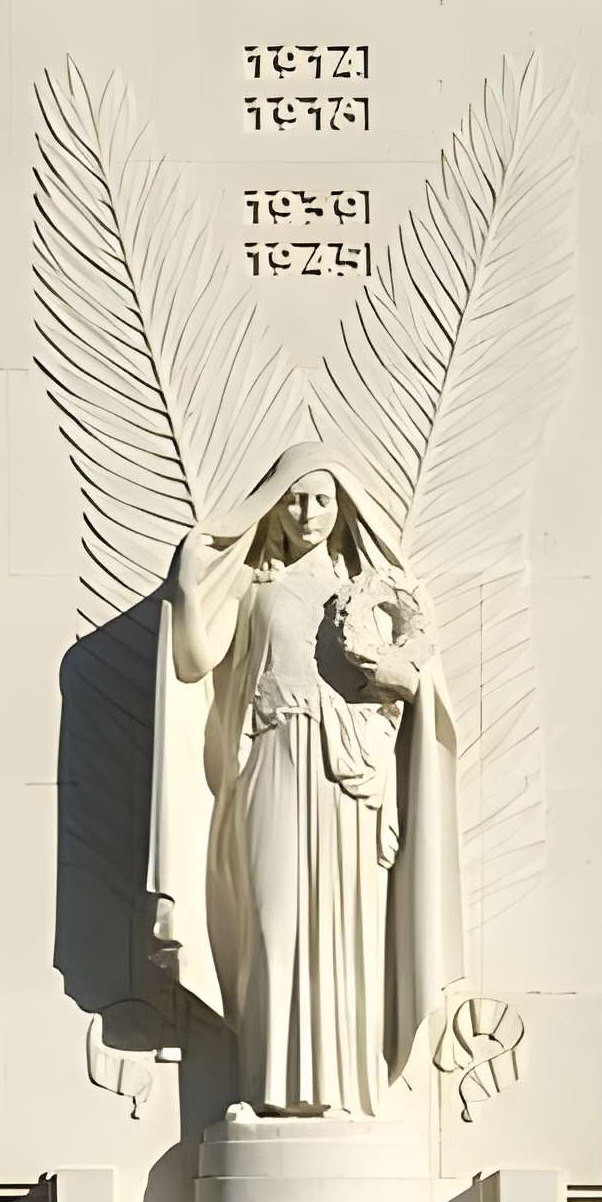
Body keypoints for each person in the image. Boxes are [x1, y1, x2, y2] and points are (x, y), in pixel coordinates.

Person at [148, 441, 462, 1121]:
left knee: (344, 927)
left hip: (349, 777)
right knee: (272, 918)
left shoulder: (372, 592)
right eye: (294, 499)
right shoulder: (254, 589)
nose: (308, 513)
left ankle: (345, 1090)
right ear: (274, 506)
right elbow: (195, 659)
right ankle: (265, 1089)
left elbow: (419, 687)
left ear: (342, 508)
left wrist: (397, 678)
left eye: (322, 500)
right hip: (271, 760)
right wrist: (189, 583)